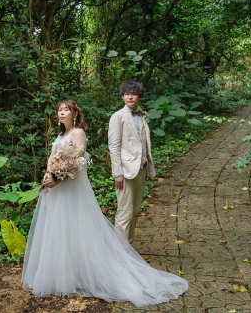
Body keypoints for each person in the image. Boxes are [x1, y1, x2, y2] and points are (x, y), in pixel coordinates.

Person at [22, 99, 187, 307]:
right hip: (57, 190)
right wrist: (49, 175)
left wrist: (58, 177)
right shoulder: (60, 134)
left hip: (71, 189)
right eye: (59, 110)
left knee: (77, 227)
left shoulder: (78, 133)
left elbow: (78, 161)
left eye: (66, 110)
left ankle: (91, 273)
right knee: (61, 230)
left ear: (75, 114)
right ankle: (65, 274)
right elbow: (54, 159)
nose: (62, 113)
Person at [108, 80, 155, 245]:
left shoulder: (142, 115)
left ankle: (129, 249)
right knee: (124, 213)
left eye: (133, 94)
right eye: (127, 94)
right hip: (125, 172)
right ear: (122, 96)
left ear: (139, 96)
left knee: (135, 211)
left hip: (140, 169)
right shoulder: (118, 117)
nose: (130, 96)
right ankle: (118, 253)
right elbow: (114, 146)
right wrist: (118, 173)